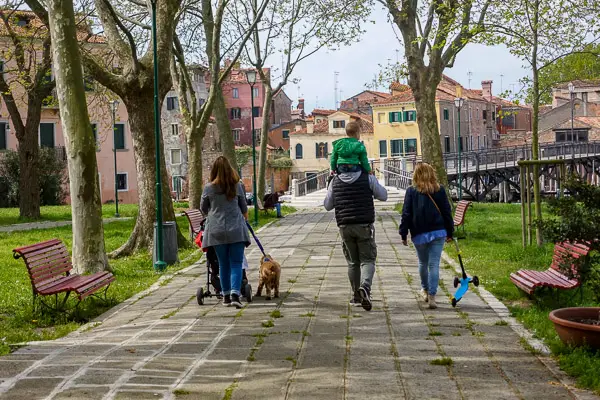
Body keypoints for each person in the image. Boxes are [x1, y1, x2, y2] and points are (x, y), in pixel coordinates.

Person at [324, 161, 387, 311]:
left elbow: (327, 205)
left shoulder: (335, 181)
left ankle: (356, 296)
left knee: (353, 262)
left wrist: (331, 184)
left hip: (345, 226)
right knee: (368, 259)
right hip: (364, 225)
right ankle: (365, 287)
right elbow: (383, 196)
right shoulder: (367, 178)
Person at [399, 162, 453, 309]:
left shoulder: (411, 191)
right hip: (438, 231)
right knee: (434, 264)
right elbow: (447, 212)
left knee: (423, 263)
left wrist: (403, 233)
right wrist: (450, 232)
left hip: (419, 232)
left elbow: (406, 213)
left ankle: (425, 289)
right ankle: (432, 296)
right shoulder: (439, 190)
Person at [201, 156, 251, 309]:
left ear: (214, 171)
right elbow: (244, 208)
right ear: (230, 170)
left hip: (216, 231)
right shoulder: (237, 186)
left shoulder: (209, 188)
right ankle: (236, 294)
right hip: (236, 229)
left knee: (223, 264)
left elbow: (203, 208)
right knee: (236, 263)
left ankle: (226, 296)